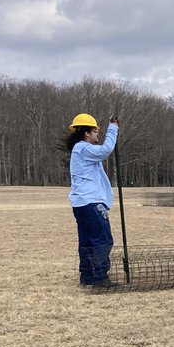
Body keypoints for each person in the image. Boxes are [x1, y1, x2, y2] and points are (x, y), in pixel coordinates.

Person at [66, 112, 120, 287]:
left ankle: (87, 276)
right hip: (91, 202)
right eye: (96, 131)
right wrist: (113, 128)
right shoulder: (83, 148)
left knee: (87, 240)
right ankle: (100, 277)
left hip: (81, 204)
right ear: (87, 133)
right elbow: (106, 150)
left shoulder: (79, 150)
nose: (98, 134)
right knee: (102, 239)